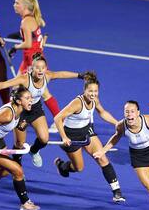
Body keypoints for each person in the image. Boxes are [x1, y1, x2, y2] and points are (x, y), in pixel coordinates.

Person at [0, 53, 84, 168]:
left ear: (46, 68)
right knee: (19, 144)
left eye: (43, 67)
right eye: (37, 67)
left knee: (44, 139)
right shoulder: (24, 79)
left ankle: (33, 151)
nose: (40, 70)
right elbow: (5, 84)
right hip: (21, 111)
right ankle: (17, 165)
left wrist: (80, 75)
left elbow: (61, 74)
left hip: (35, 109)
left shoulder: (47, 76)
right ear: (32, 68)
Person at [53, 72, 125, 203]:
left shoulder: (94, 100)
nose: (93, 94)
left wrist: (116, 123)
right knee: (79, 168)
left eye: (95, 91)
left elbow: (102, 112)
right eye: (90, 91)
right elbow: (58, 118)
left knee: (102, 158)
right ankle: (62, 166)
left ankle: (117, 192)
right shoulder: (77, 103)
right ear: (84, 90)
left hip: (87, 132)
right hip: (71, 136)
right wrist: (63, 137)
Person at [9, 0, 60, 133]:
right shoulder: (32, 19)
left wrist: (14, 47)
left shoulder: (25, 21)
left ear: (24, 6)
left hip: (33, 62)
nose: (14, 5)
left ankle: (58, 119)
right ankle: (11, 117)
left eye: (17, 3)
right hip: (29, 59)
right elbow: (35, 38)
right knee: (14, 88)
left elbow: (28, 43)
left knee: (44, 93)